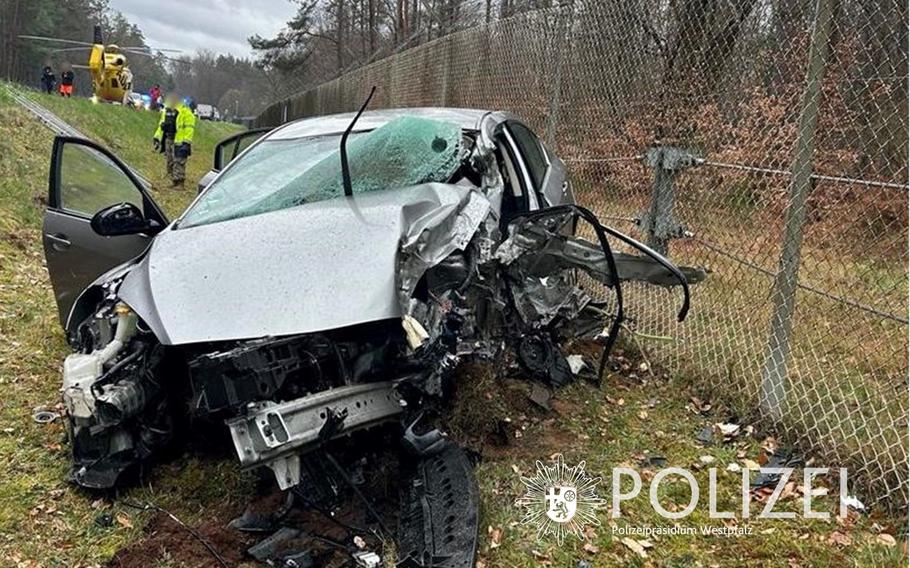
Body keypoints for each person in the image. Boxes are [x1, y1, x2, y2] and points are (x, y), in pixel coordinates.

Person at [153, 94, 196, 188]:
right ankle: (173, 179)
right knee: (170, 160)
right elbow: (161, 126)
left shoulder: (185, 112)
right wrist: (157, 137)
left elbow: (189, 129)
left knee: (179, 161)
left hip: (180, 141)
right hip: (169, 138)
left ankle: (180, 182)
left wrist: (186, 142)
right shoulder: (167, 111)